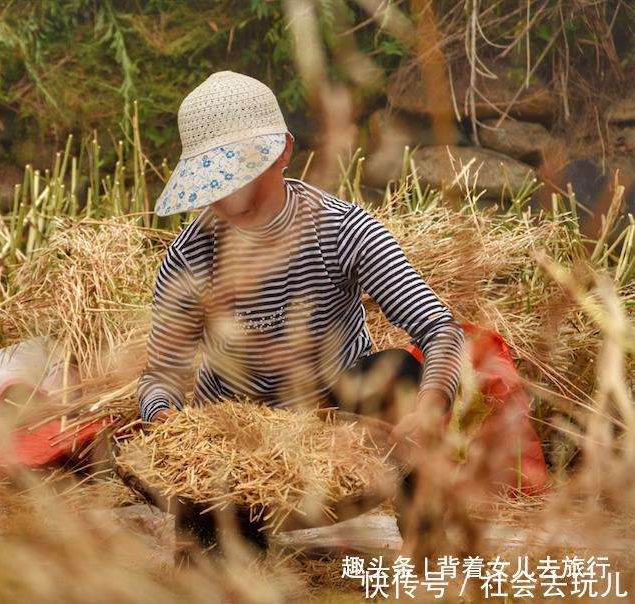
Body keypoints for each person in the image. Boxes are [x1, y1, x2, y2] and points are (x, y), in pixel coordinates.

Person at [137, 70, 465, 558]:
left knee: (399, 373)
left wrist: (431, 405)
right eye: (216, 183)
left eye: (242, 176)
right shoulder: (191, 257)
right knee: (222, 566)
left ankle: (430, 554)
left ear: (282, 152)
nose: (231, 199)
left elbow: (440, 329)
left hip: (335, 421)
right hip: (238, 439)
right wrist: (166, 422)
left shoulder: (340, 230)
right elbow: (160, 374)